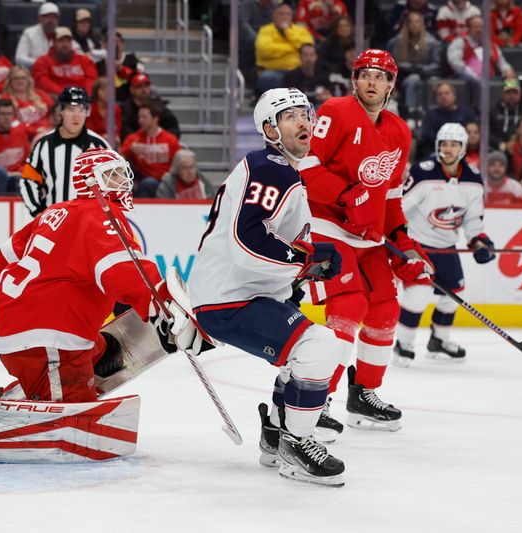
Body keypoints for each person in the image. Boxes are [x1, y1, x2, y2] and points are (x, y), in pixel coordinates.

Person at [0, 147, 202, 466]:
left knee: (94, 354)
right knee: (76, 425)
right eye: (112, 175)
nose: (122, 182)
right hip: (49, 335)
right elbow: (122, 271)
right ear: (92, 182)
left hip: (26, 328)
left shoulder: (55, 212)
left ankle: (57, 380)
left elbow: (7, 257)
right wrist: (161, 307)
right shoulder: (102, 216)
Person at [188, 88, 348, 486]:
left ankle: (277, 434)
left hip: (240, 293)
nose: (303, 122)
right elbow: (248, 242)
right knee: (320, 347)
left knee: (308, 351)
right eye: (290, 116)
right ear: (268, 129)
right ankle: (297, 442)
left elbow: (261, 243)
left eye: (305, 115)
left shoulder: (278, 168)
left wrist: (302, 268)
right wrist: (302, 260)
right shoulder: (270, 167)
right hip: (230, 299)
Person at [298, 49, 431, 432]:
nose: (371, 82)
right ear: (354, 80)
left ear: (392, 84)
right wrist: (343, 196)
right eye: (364, 74)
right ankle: (316, 400)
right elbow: (306, 166)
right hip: (325, 227)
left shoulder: (399, 131)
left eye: (380, 76)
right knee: (349, 306)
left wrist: (403, 240)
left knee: (385, 310)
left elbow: (389, 196)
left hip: (369, 238)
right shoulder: (335, 111)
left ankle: (364, 394)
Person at [392, 123, 495, 366]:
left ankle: (439, 340)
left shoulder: (473, 179)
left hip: (447, 248)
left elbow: (472, 219)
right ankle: (403, 345)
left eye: (453, 144)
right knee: (417, 294)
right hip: (417, 246)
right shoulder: (424, 172)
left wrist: (478, 241)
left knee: (453, 296)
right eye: (444, 144)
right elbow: (400, 206)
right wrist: (394, 234)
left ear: (463, 148)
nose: (447, 149)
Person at [21, 86, 110, 217]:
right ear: (60, 111)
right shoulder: (43, 145)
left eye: (81, 110)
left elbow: (115, 186)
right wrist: (37, 211)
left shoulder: (100, 146)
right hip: (53, 223)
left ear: (87, 112)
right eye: (71, 109)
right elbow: (28, 180)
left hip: (89, 223)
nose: (76, 116)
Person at [386, 11, 443, 116]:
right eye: (411, 22)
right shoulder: (397, 42)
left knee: (434, 81)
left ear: (422, 24)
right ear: (406, 25)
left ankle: (432, 111)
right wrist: (410, 68)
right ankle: (411, 111)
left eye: (417, 22)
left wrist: (419, 69)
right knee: (413, 79)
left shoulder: (432, 42)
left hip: (428, 74)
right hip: (404, 76)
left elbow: (437, 65)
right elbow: (393, 64)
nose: (414, 25)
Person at [120, 103, 182, 197]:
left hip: (166, 182)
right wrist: (130, 150)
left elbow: (180, 161)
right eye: (139, 117)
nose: (140, 121)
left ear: (155, 118)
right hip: (140, 181)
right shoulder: (133, 139)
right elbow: (119, 160)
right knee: (148, 183)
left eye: (144, 117)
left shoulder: (170, 140)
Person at [254, 2, 314, 94]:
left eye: (288, 14)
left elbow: (307, 48)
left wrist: (287, 32)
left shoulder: (301, 30)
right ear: (274, 15)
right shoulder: (265, 30)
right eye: (281, 14)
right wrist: (292, 48)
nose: (285, 17)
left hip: (298, 70)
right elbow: (265, 50)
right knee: (268, 78)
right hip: (274, 71)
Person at [32, 27, 97, 97]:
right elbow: (43, 84)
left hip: (83, 98)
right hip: (57, 99)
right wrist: (67, 95)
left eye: (68, 41)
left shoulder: (84, 60)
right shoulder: (42, 62)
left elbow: (92, 80)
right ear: (53, 42)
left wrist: (82, 95)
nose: (65, 44)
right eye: (60, 41)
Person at [418, 81, 477, 157]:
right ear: (436, 98)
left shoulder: (466, 113)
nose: (443, 96)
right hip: (437, 153)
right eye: (440, 94)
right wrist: (447, 142)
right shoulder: (431, 115)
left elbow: (473, 131)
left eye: (447, 93)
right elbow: (426, 134)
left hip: (464, 151)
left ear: (454, 95)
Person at [119, 73, 180, 139]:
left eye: (146, 86)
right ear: (131, 89)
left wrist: (162, 139)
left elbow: (173, 127)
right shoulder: (125, 109)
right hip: (135, 144)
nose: (144, 90)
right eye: (139, 86)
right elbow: (124, 130)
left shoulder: (158, 106)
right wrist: (141, 139)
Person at [2, 65, 53, 140]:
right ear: (10, 82)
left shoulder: (41, 95)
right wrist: (34, 130)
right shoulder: (6, 99)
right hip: (23, 136)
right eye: (16, 78)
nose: (20, 81)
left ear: (28, 80)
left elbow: (54, 114)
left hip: (48, 132)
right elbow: (11, 123)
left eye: (23, 78)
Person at [489, 78, 522, 151]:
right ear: (502, 94)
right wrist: (498, 143)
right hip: (498, 149)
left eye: (515, 93)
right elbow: (486, 133)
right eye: (508, 92)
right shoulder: (493, 112)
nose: (512, 96)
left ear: (520, 94)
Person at [15, 2, 63, 69]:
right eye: (47, 16)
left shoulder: (63, 33)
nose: (51, 20)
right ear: (40, 18)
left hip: (58, 72)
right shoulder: (29, 33)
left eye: (54, 17)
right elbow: (19, 59)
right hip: (34, 72)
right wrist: (42, 63)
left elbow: (78, 53)